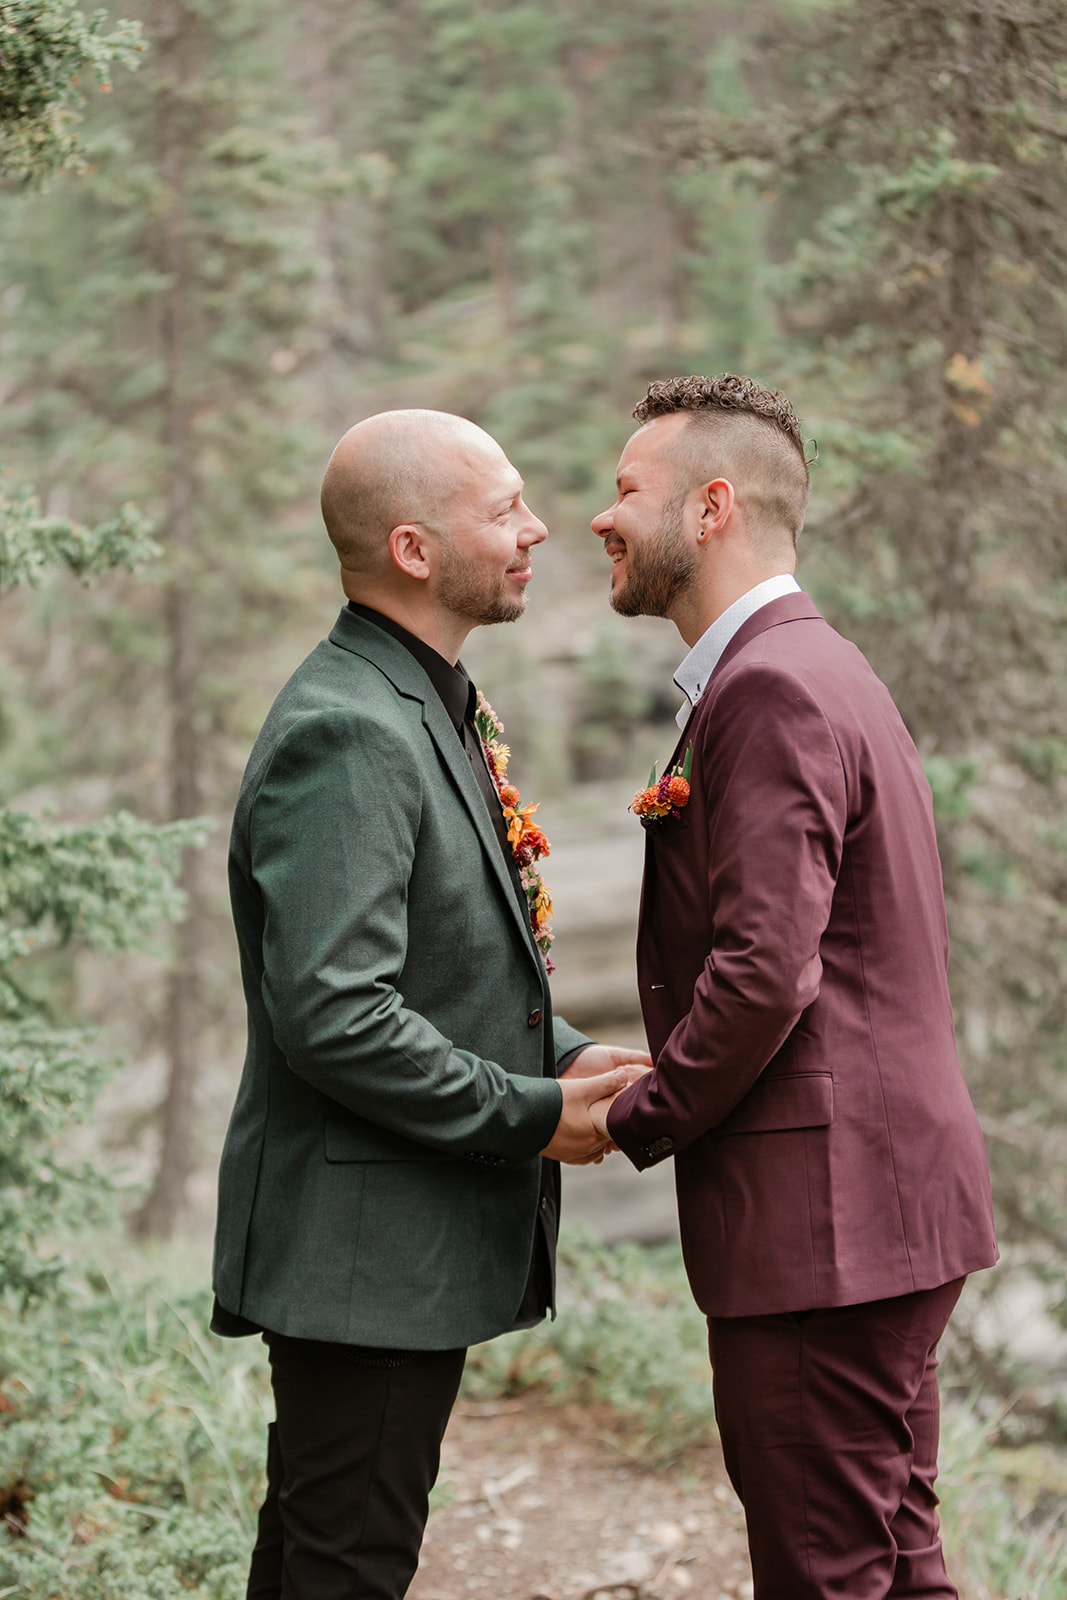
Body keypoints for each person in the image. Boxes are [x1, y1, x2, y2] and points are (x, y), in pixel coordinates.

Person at [211, 407, 648, 1600]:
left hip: (382, 1253)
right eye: (504, 509)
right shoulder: (349, 728)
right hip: (362, 1259)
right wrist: (528, 1111)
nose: (538, 530)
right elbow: (336, 1014)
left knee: (314, 1556)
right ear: (412, 549)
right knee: (346, 1568)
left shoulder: (420, 697)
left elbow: (442, 970)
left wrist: (569, 1056)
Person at [591, 374, 998, 1600]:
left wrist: (638, 1112)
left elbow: (766, 967)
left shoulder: (767, 685)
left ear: (710, 508)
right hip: (881, 1210)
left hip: (827, 1225)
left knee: (822, 1571)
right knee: (889, 1556)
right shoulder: (819, 665)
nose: (600, 518)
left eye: (624, 490)